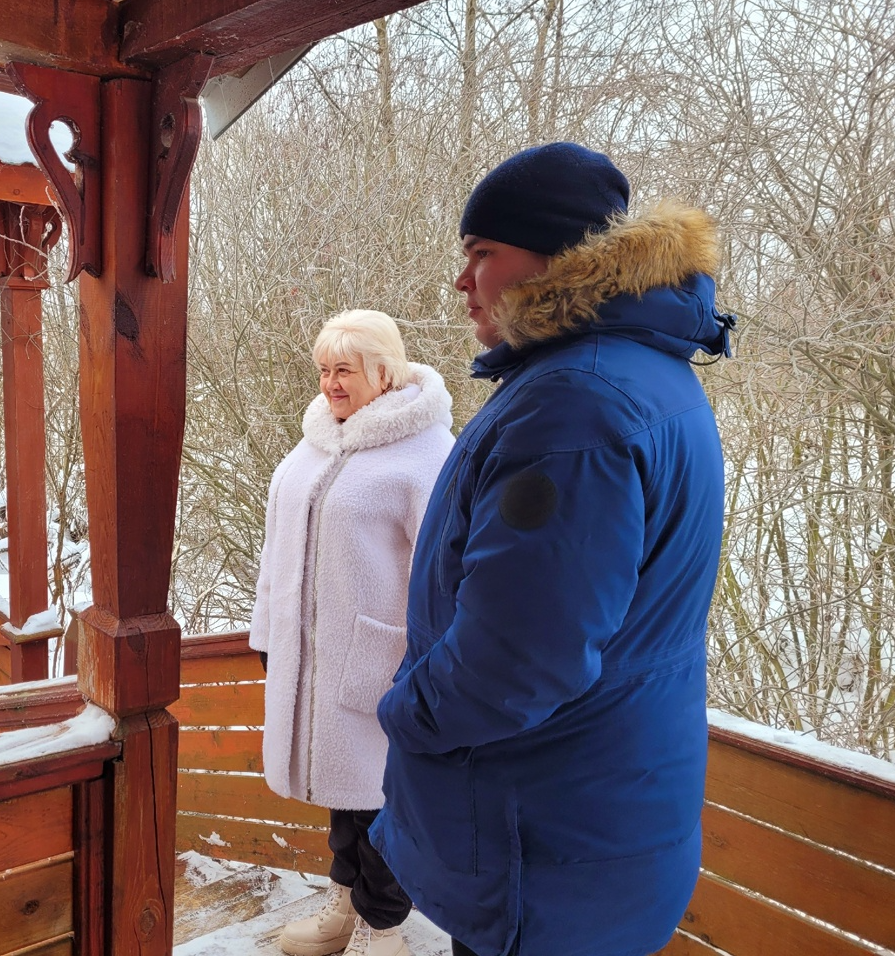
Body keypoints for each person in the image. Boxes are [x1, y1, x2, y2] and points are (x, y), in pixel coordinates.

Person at [369, 143, 735, 956]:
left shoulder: (573, 407)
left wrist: (404, 714)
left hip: (539, 842)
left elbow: (519, 659)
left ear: (556, 258)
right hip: (597, 819)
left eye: (480, 253)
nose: (462, 281)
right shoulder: (646, 375)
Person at [250, 309, 455, 956]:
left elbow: (447, 573)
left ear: (383, 372)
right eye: (322, 370)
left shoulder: (426, 454)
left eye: (343, 370)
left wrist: (428, 667)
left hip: (384, 662)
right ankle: (344, 906)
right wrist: (266, 632)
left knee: (382, 805)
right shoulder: (316, 439)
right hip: (308, 654)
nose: (329, 383)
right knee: (343, 795)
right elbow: (276, 543)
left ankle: (382, 928)